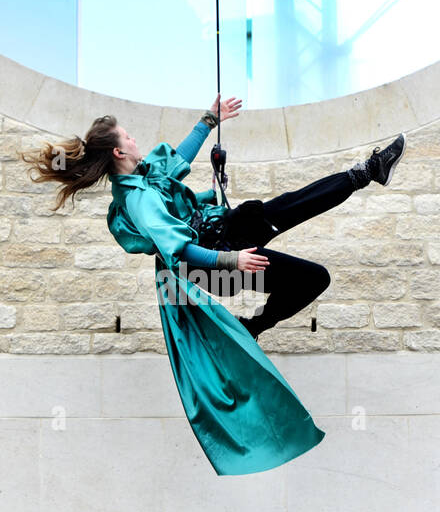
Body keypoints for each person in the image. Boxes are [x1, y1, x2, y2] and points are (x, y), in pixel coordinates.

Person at [20, 95, 405, 475]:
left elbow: (179, 158)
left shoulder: (144, 175)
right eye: (129, 137)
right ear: (119, 153)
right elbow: (180, 251)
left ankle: (252, 327)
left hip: (222, 241)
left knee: (312, 276)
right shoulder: (136, 200)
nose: (135, 140)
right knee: (277, 211)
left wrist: (210, 119)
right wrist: (232, 260)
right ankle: (368, 171)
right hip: (212, 260)